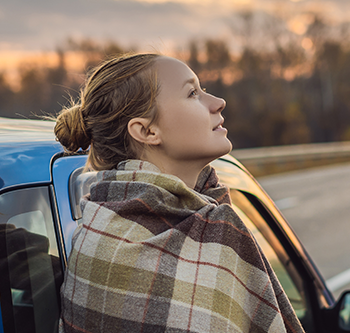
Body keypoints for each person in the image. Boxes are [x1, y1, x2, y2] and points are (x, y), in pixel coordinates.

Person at [55, 53, 304, 333]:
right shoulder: (219, 234)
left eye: (204, 90)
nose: (218, 103)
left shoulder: (93, 230)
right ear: (147, 130)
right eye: (193, 93)